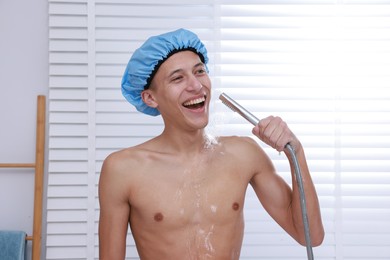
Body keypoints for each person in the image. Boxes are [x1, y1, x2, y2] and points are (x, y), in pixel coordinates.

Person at [98, 28, 324, 260]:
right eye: (178, 78)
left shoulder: (244, 154)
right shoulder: (123, 169)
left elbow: (310, 236)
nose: (196, 85)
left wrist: (295, 150)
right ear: (150, 98)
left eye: (200, 71)